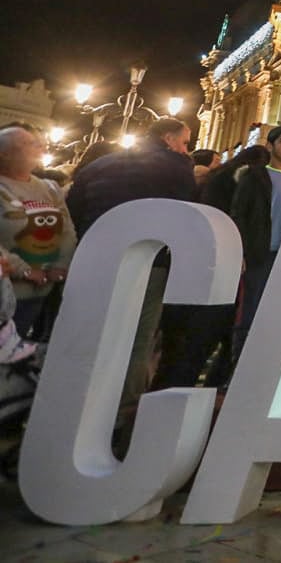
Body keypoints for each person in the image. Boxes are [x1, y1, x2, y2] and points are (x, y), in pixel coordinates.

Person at [64, 118, 196, 416]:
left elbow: (71, 214)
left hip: (93, 258)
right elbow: (183, 214)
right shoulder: (175, 167)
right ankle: (122, 412)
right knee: (138, 337)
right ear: (168, 138)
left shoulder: (97, 166)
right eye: (185, 142)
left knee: (89, 330)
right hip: (148, 260)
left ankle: (71, 400)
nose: (187, 150)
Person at [156, 145, 268, 389]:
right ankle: (211, 381)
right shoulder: (246, 180)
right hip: (228, 258)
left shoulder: (215, 179)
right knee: (219, 324)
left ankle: (171, 383)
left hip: (195, 256)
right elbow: (243, 216)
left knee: (185, 333)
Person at [229, 126, 281, 360]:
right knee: (251, 308)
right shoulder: (255, 176)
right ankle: (241, 361)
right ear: (271, 146)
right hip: (261, 251)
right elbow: (240, 213)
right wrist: (242, 251)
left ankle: (272, 359)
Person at [0, 127, 75, 338]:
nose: (39, 148)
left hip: (39, 292)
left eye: (37, 143)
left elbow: (67, 231)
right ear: (4, 153)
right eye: (28, 144)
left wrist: (61, 265)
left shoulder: (49, 188)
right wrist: (23, 270)